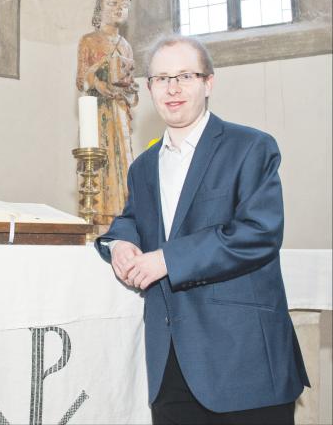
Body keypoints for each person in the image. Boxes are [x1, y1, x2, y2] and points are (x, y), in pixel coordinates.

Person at [94, 35, 309, 424]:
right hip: (171, 364)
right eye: (161, 78)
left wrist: (167, 260)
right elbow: (132, 217)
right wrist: (120, 241)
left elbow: (258, 233)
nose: (173, 88)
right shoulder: (143, 166)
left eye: (185, 76)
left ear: (208, 83)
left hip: (244, 362)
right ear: (149, 89)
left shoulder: (250, 147)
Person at [76, 0, 139, 225]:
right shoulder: (89, 41)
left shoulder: (126, 45)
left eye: (124, 5)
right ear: (100, 8)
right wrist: (98, 79)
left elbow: (128, 80)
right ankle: (98, 214)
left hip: (119, 112)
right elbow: (81, 79)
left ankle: (123, 214)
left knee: (122, 163)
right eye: (113, 3)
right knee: (100, 162)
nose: (119, 9)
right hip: (98, 112)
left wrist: (128, 87)